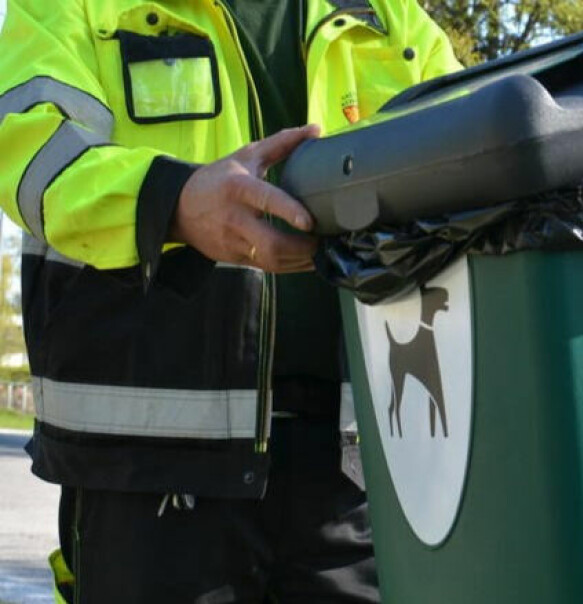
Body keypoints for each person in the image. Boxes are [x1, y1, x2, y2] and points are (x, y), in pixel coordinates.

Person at [0, 0, 460, 601]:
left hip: (353, 469)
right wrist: (173, 202)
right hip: (149, 471)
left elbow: (470, 151)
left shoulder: (390, 16)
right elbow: (26, 146)